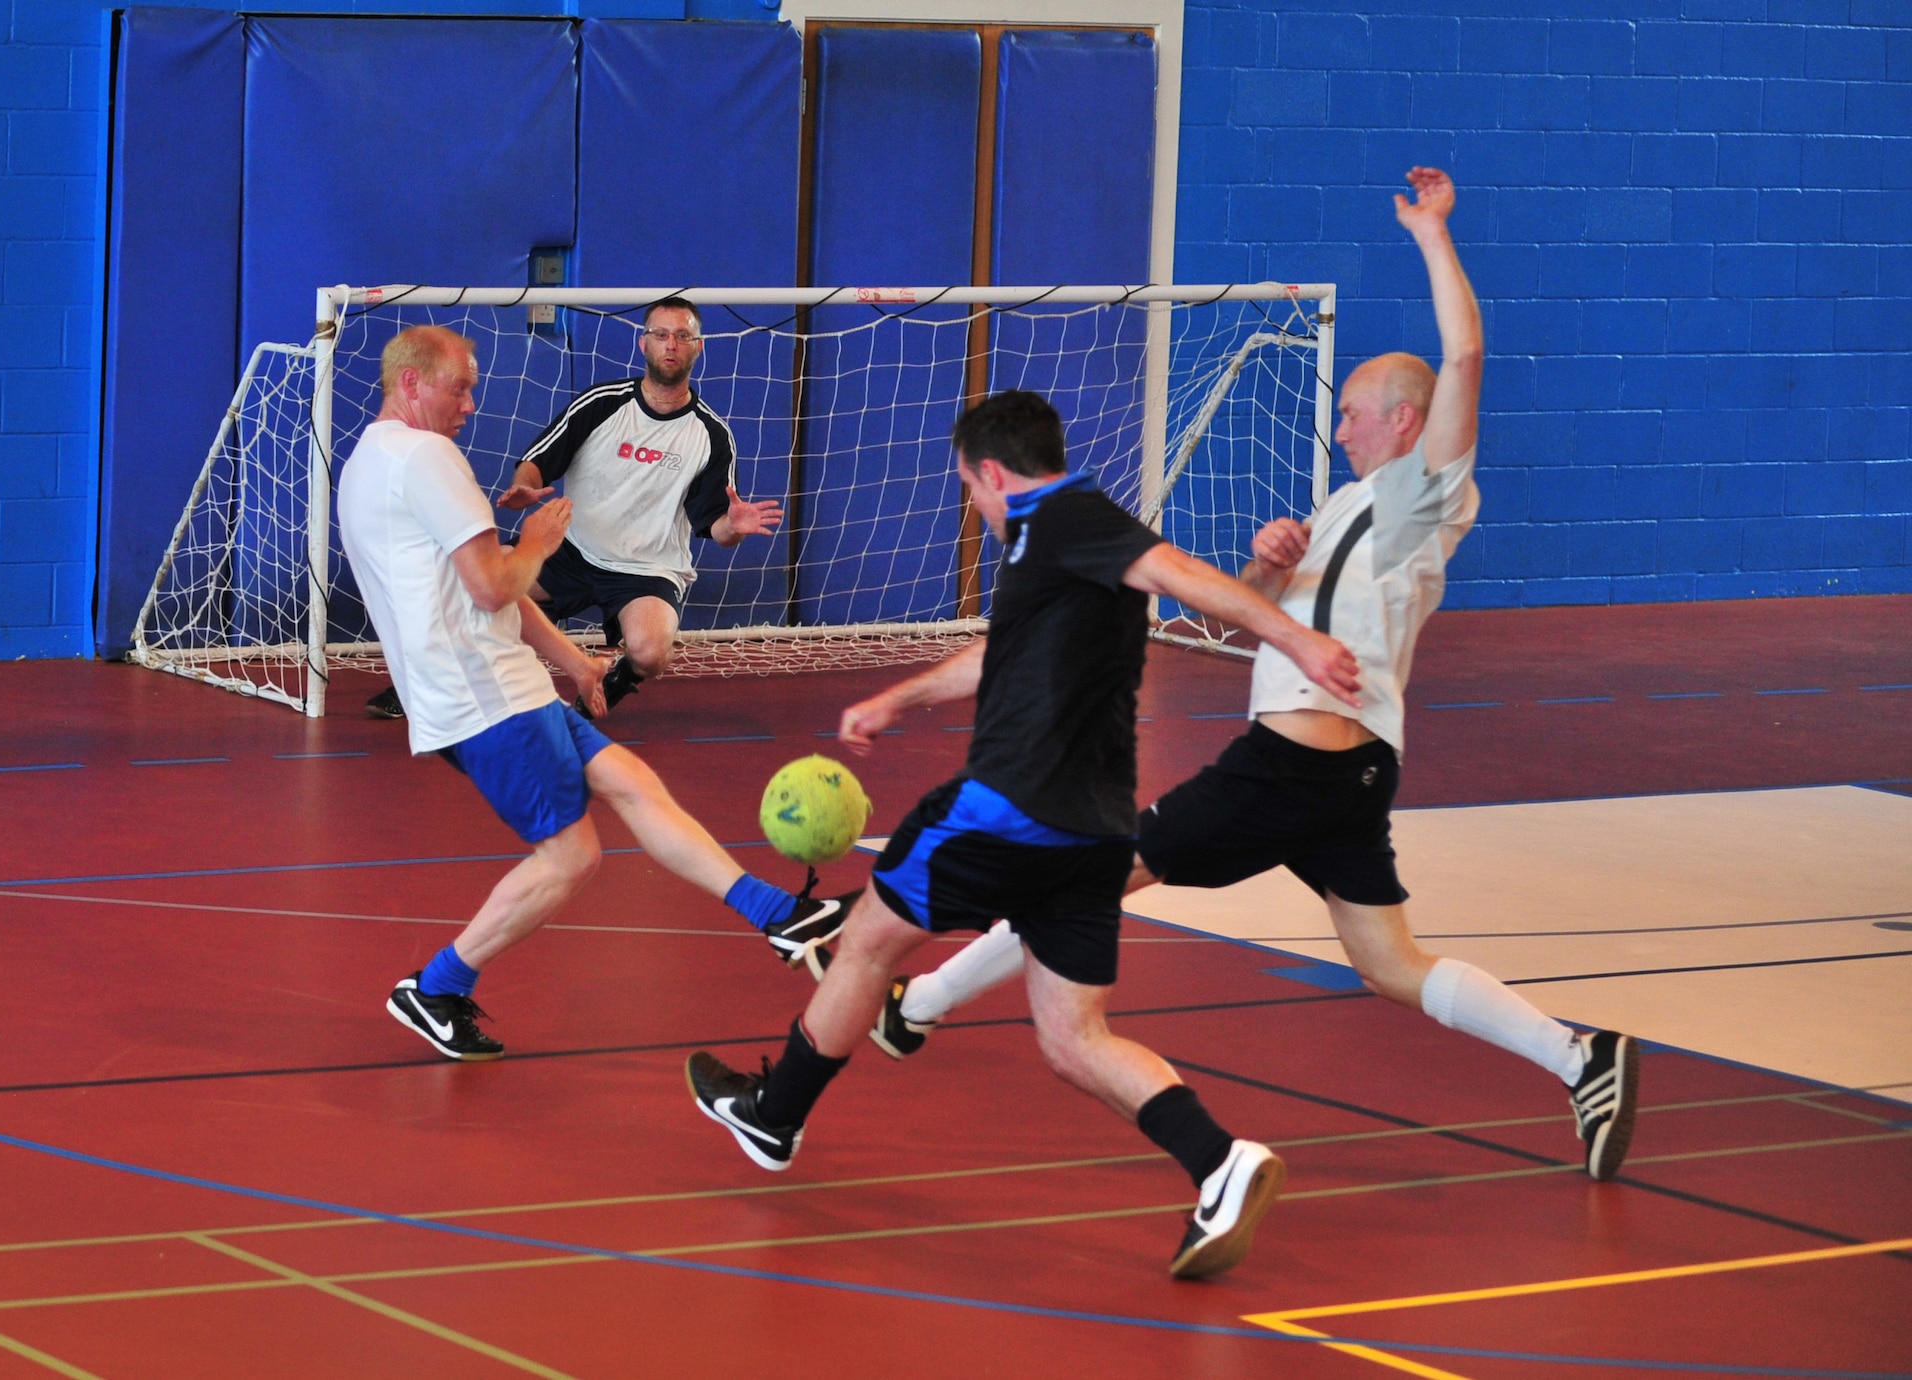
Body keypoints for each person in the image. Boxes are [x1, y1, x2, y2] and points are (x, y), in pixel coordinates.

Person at [839, 168, 1642, 1187]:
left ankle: (918, 1005)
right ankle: (1580, 1058)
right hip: (1340, 773)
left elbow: (1465, 357)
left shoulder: (1422, 498)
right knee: (1389, 963)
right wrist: (1267, 564)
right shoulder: (1348, 506)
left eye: (1353, 413)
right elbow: (1253, 617)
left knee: (1089, 872)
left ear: (1404, 422)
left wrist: (1433, 234)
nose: (1339, 429)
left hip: (1294, 760)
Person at [683, 388, 1364, 1281]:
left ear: (995, 474)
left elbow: (1176, 571)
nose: (973, 503)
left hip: (1006, 809)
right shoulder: (1050, 551)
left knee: (864, 942)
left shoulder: (1070, 518)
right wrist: (896, 698)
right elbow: (998, 654)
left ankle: (773, 1117)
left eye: (970, 487)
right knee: (1074, 1038)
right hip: (1093, 832)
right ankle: (1220, 1162)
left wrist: (1298, 642)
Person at [338, 326, 850, 1059]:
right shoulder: (427, 457)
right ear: (412, 384)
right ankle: (437, 986)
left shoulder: (371, 458)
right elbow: (494, 586)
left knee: (633, 781)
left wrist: (577, 663)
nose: (471, 404)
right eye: (461, 388)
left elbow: (487, 590)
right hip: (485, 695)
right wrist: (538, 542)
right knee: (570, 856)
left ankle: (776, 914)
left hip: (494, 684)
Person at [365, 297, 779, 722]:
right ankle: (422, 683)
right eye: (660, 334)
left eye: (682, 336)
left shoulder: (711, 435)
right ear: (644, 343)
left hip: (647, 570)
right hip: (572, 550)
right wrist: (525, 487)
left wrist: (734, 525)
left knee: (651, 652)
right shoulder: (601, 403)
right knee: (469, 585)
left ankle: (613, 681)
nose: (670, 344)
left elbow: (717, 529)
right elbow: (537, 461)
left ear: (698, 346)